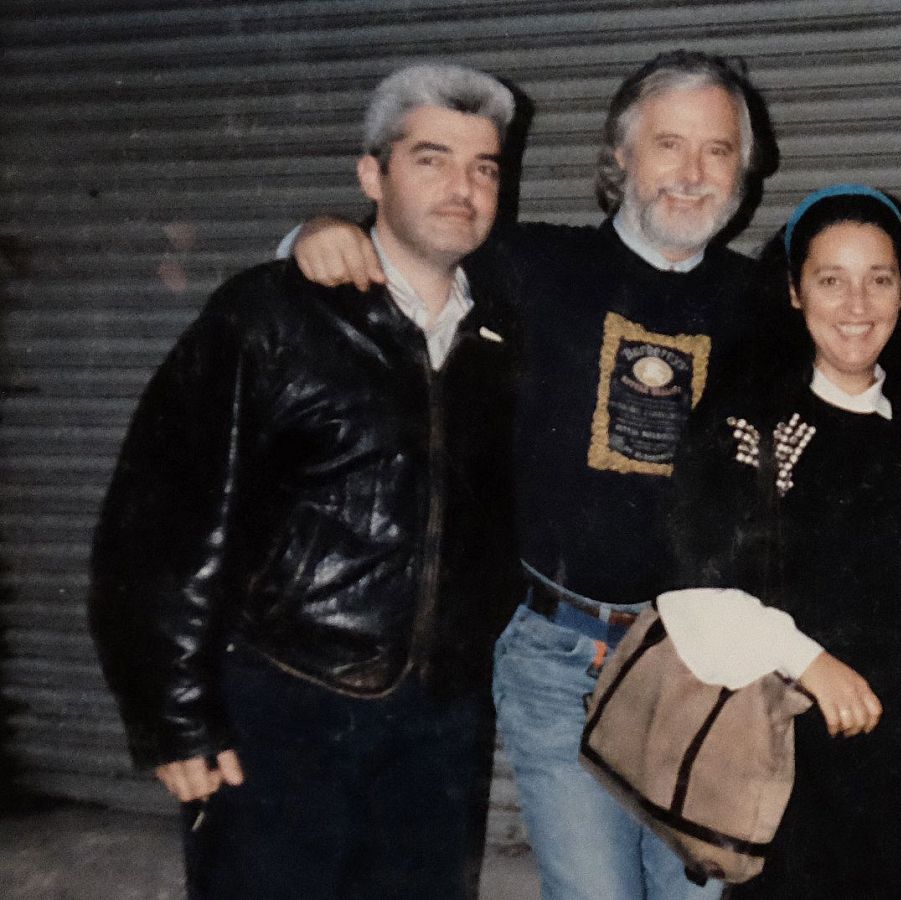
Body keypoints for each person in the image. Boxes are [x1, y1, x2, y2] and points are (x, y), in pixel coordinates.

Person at [288, 50, 769, 900]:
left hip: (698, 665)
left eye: (718, 150)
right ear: (620, 157)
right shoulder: (530, 264)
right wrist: (317, 233)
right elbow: (400, 247)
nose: (693, 173)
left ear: (744, 169)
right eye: (668, 145)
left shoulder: (765, 302)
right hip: (558, 654)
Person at [88, 63, 521, 899]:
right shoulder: (271, 315)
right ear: (372, 175)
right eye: (431, 160)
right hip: (282, 703)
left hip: (439, 716)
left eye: (484, 168)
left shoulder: (503, 329)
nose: (462, 189)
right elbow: (160, 523)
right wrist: (173, 719)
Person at [659, 184, 901, 898]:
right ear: (795, 292)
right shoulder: (746, 424)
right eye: (831, 280)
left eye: (878, 280)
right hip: (786, 739)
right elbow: (694, 590)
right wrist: (813, 664)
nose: (857, 305)